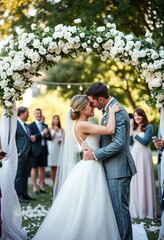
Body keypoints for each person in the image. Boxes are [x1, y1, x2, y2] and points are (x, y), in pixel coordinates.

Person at [32, 94, 121, 240]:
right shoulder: (82, 125)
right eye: (89, 104)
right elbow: (110, 129)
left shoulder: (83, 123)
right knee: (91, 203)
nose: (92, 106)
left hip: (91, 164)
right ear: (81, 109)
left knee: (90, 204)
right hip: (91, 167)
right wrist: (111, 112)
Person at [83, 82, 137, 240]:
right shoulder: (108, 110)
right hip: (111, 167)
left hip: (118, 169)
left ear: (100, 99)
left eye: (92, 102)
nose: (90, 105)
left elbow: (119, 143)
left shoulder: (117, 111)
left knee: (120, 211)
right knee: (115, 210)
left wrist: (95, 154)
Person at [129, 108, 157, 219]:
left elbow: (145, 142)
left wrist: (134, 135)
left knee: (146, 180)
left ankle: (148, 211)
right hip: (135, 154)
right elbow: (130, 143)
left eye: (139, 115)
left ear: (143, 116)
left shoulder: (148, 127)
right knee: (136, 181)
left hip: (144, 155)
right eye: (135, 116)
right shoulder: (133, 127)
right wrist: (131, 131)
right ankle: (137, 210)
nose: (137, 118)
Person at [15, 106, 36, 203]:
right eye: (27, 113)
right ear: (22, 113)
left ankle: (24, 194)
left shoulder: (26, 126)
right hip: (20, 155)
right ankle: (18, 196)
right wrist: (17, 152)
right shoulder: (15, 124)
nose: (28, 115)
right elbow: (12, 140)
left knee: (25, 175)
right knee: (18, 176)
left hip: (28, 155)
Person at [29, 108, 51, 194]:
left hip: (44, 150)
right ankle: (35, 187)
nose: (39, 115)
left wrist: (47, 133)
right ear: (34, 115)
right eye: (37, 113)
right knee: (34, 169)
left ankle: (42, 187)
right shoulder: (31, 126)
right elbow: (32, 138)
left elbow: (49, 138)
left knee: (42, 169)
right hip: (34, 150)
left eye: (40, 113)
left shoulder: (45, 125)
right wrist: (42, 133)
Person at [47, 115, 64, 186]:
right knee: (52, 166)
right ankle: (54, 183)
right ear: (53, 120)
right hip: (52, 149)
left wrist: (62, 141)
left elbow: (64, 139)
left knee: (58, 167)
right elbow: (50, 138)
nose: (56, 120)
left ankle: (58, 183)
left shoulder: (62, 130)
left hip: (59, 149)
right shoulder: (50, 129)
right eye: (55, 119)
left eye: (57, 119)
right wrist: (55, 131)